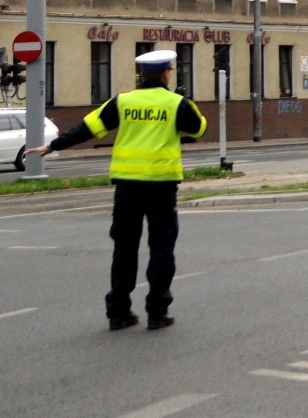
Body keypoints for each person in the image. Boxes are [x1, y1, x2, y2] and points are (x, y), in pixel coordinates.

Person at [26, 50, 207, 331]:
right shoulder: (177, 103)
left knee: (124, 249)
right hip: (161, 186)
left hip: (127, 187)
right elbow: (198, 129)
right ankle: (157, 312)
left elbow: (88, 127)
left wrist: (53, 146)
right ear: (167, 73)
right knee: (161, 249)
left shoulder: (122, 102)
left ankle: (119, 313)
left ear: (141, 76)